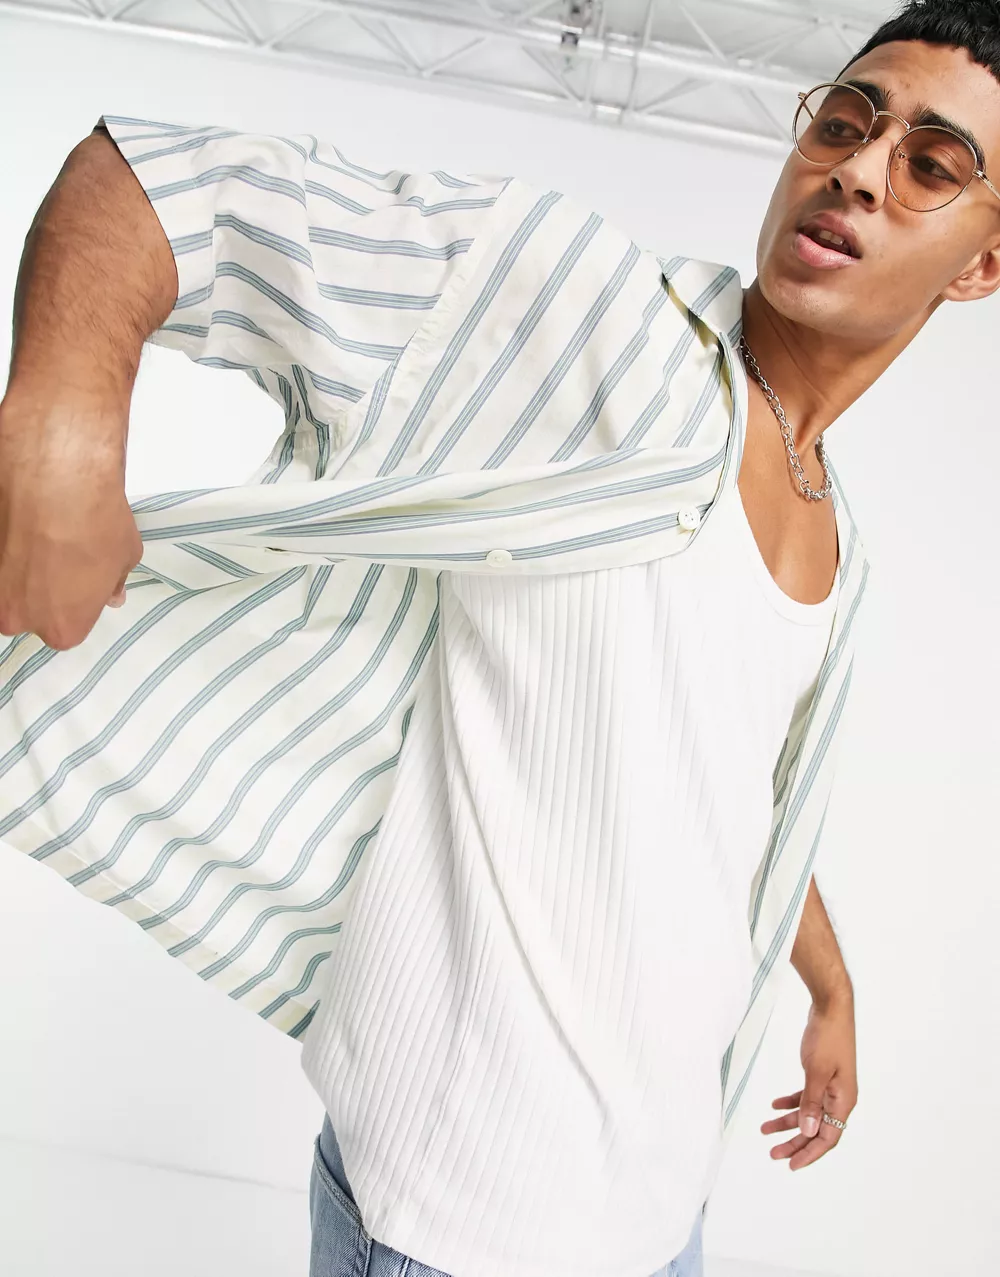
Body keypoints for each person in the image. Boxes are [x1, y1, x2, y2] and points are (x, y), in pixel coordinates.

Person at [1, 1, 998, 1274]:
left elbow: (716, 784)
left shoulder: (836, 535)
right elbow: (153, 185)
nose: (858, 169)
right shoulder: (592, 324)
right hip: (463, 1223)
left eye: (931, 164)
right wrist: (61, 433)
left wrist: (830, 983)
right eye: (847, 123)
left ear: (980, 266)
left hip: (659, 1211)